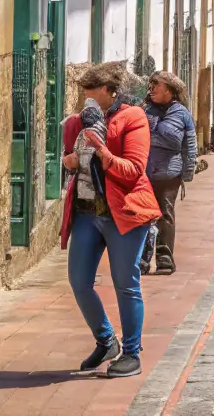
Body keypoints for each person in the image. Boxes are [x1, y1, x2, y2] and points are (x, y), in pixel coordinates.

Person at [61, 63, 159, 378]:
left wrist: (103, 152)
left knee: (125, 284)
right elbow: (69, 160)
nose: (86, 99)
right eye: (83, 93)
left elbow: (133, 169)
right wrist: (71, 160)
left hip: (124, 212)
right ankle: (106, 340)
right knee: (79, 282)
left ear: (109, 91)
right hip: (88, 212)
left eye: (91, 93)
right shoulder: (78, 121)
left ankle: (132, 353)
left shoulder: (133, 118)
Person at [140, 71, 196, 276]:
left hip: (169, 174)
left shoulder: (181, 113)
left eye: (157, 84)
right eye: (151, 83)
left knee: (165, 214)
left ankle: (164, 258)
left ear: (169, 91)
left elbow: (183, 143)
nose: (152, 88)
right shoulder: (145, 110)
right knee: (143, 215)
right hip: (145, 171)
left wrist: (187, 172)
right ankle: (142, 259)